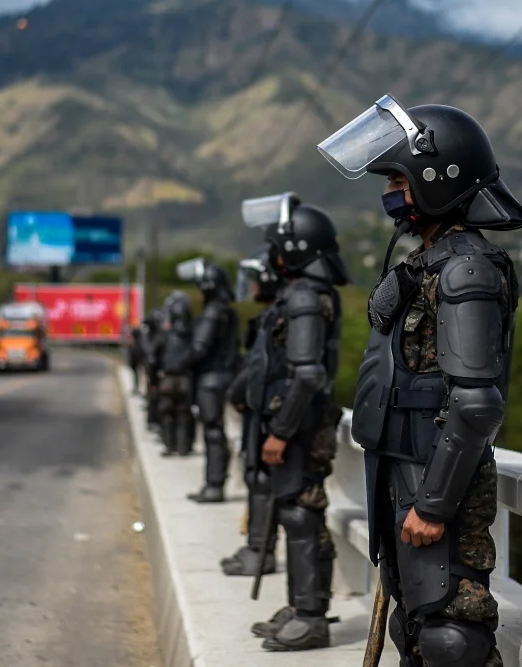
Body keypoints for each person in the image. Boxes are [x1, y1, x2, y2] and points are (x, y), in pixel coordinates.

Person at [317, 96, 522, 667]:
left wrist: (434, 505)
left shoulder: (467, 269)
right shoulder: (430, 261)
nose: (390, 192)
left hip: (437, 478)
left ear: (438, 178)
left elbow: (476, 404)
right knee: (413, 627)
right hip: (404, 469)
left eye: (398, 179)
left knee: (450, 632)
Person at [239, 192, 350, 652]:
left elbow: (306, 375)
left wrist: (279, 432)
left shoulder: (305, 295)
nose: (274, 252)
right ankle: (300, 607)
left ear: (298, 247)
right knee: (293, 512)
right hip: (295, 424)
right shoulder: (302, 293)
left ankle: (311, 617)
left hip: (298, 429)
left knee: (301, 515)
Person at [222, 245, 283, 577]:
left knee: (263, 483)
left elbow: (265, 366)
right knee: (254, 478)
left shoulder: (284, 315)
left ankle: (261, 551)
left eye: (256, 280)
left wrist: (237, 391)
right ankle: (255, 547)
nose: (254, 288)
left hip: (271, 415)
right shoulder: (269, 316)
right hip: (257, 412)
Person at [176, 258, 240, 504]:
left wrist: (178, 365)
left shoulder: (213, 312)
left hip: (210, 380)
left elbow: (199, 348)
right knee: (216, 432)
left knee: (213, 433)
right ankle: (214, 482)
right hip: (224, 376)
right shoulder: (228, 311)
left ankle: (214, 485)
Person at [157, 292, 196, 456]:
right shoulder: (195, 333)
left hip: (168, 378)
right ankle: (184, 446)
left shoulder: (166, 335)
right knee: (184, 413)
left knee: (167, 413)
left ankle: (169, 445)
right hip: (186, 379)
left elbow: (154, 356)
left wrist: (154, 378)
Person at [143, 308, 167, 432]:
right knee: (154, 397)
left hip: (159, 371)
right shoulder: (152, 335)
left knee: (158, 397)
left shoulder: (161, 335)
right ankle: (153, 421)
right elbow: (149, 352)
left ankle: (155, 421)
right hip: (155, 371)